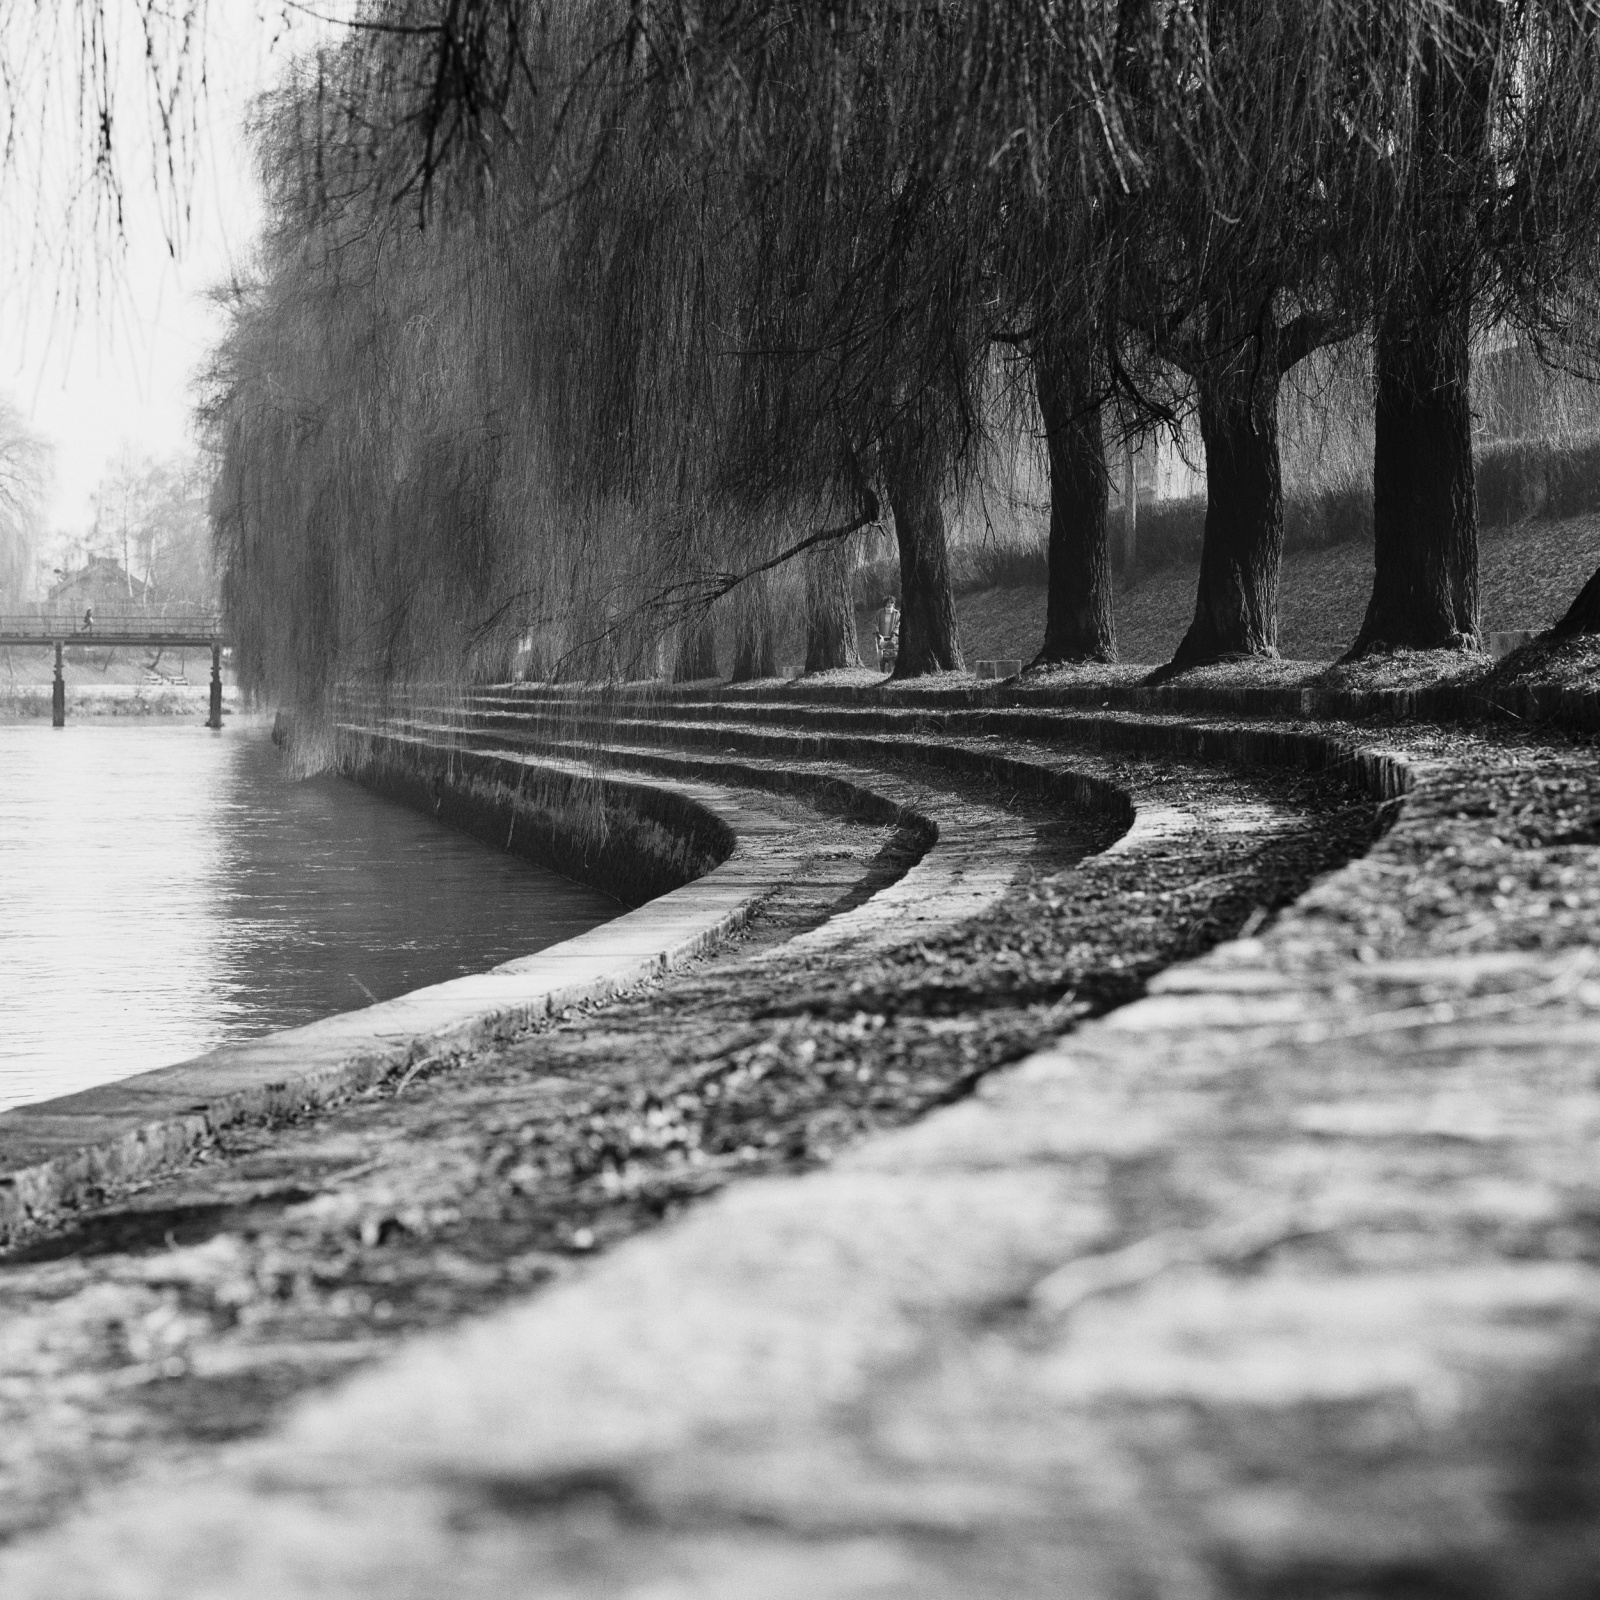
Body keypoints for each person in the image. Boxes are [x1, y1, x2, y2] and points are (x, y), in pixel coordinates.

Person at [873, 593, 900, 673]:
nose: (890, 604)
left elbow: (898, 625)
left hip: (892, 638)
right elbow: (875, 623)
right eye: (888, 602)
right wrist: (877, 632)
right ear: (885, 603)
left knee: (891, 655)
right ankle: (881, 672)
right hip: (881, 637)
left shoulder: (896, 614)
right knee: (881, 656)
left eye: (892, 602)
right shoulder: (880, 613)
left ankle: (890, 672)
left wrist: (894, 634)